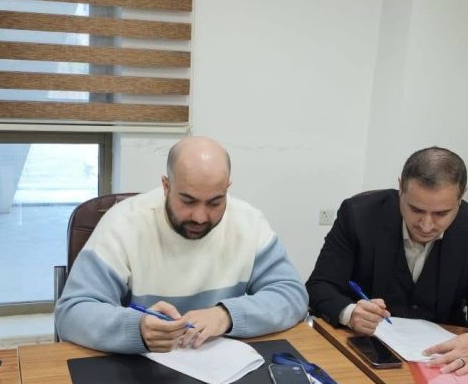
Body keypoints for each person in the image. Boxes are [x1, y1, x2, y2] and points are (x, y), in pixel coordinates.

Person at [56, 136, 308, 354]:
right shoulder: (124, 225)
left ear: (227, 189)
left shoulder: (249, 223)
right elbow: (72, 313)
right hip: (138, 369)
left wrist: (226, 315)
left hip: (219, 367)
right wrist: (136, 328)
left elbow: (292, 295)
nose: (200, 217)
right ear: (166, 186)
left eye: (215, 202)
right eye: (188, 201)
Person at [307, 147, 468, 374]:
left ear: (461, 196)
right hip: (362, 349)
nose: (426, 225)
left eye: (441, 214)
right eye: (415, 209)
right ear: (401, 188)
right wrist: (350, 313)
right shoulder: (359, 215)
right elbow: (320, 285)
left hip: (439, 361)